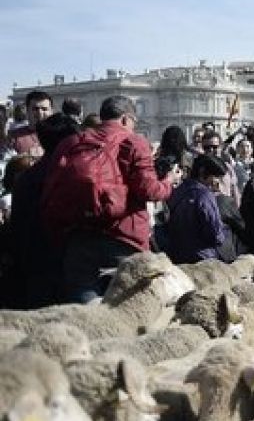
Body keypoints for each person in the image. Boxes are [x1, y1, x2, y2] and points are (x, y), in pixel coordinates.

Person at [43, 95, 175, 302]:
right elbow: (149, 190)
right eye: (134, 123)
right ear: (125, 119)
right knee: (127, 306)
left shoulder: (71, 143)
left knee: (83, 305)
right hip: (124, 237)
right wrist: (168, 183)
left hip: (79, 236)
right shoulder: (134, 142)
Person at [4, 113, 79, 307]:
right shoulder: (72, 177)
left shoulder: (25, 179)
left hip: (32, 267)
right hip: (65, 265)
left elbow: (17, 228)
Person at [164, 154, 228, 264]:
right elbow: (215, 233)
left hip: (177, 256)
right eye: (216, 176)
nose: (217, 181)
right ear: (203, 172)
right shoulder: (204, 195)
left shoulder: (177, 191)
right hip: (203, 258)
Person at [7, 91, 54, 156]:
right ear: (27, 111)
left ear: (51, 111)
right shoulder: (14, 137)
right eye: (35, 109)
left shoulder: (60, 136)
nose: (40, 113)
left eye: (44, 109)